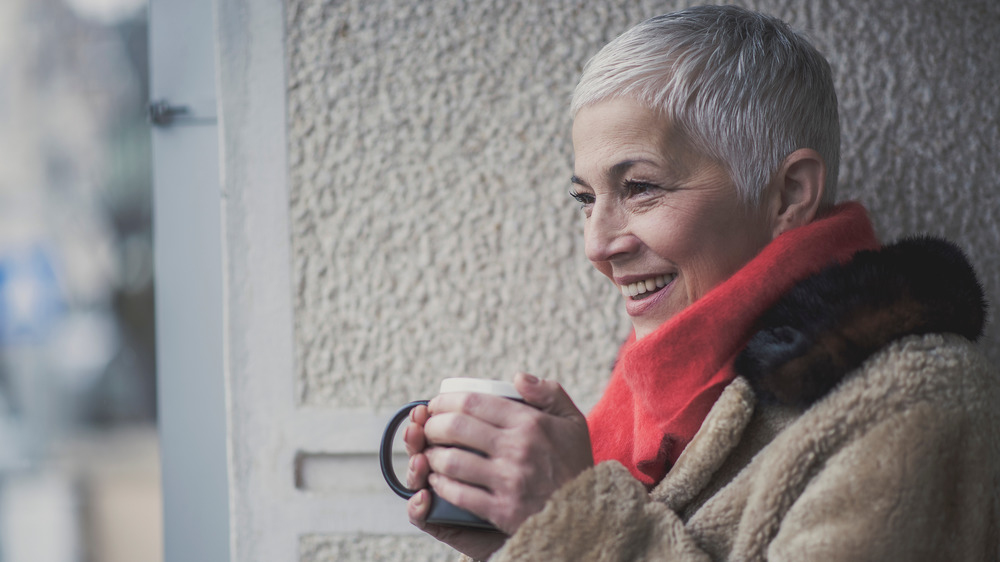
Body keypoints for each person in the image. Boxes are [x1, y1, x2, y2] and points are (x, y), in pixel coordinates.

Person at [403, 5, 999, 560]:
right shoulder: (657, 394)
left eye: (639, 188)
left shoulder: (916, 402)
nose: (596, 246)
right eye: (585, 199)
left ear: (789, 193)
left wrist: (574, 522)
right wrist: (529, 536)